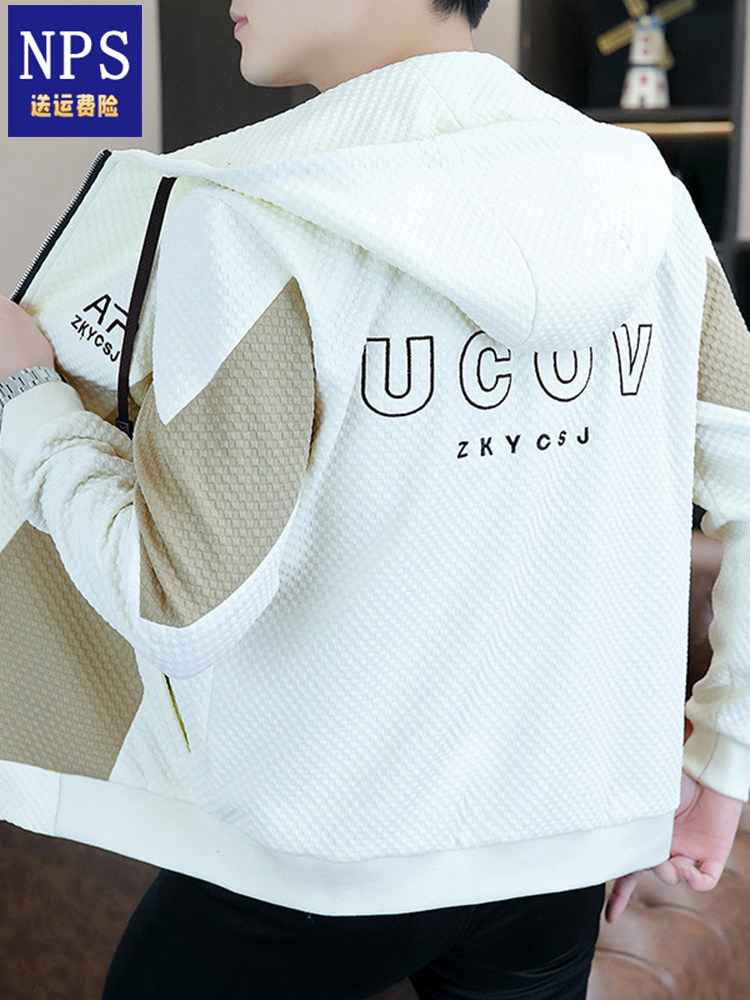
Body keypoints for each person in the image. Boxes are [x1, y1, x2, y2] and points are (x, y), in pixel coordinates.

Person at [0, 0, 748, 996]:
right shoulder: (641, 195)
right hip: (562, 846)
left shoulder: (250, 215)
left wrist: (27, 404)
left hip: (317, 852)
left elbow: (177, 606)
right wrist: (722, 762)